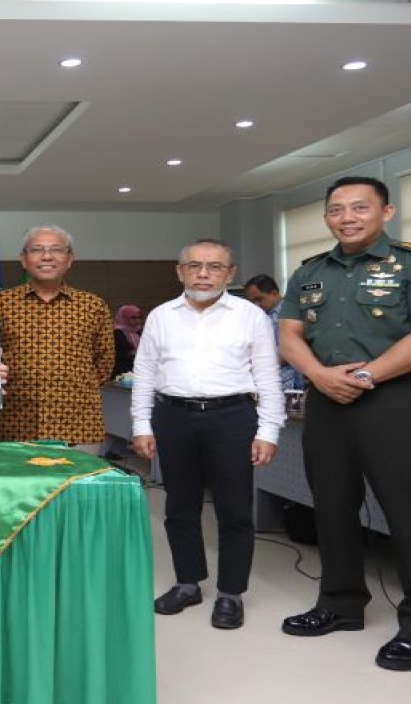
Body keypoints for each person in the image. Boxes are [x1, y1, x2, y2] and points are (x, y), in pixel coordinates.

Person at [278, 175, 411, 671]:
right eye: (337, 210)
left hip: (392, 399)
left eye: (360, 207)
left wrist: (363, 376)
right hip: (325, 398)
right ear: (327, 217)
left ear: (386, 212)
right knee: (331, 507)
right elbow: (289, 334)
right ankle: (340, 603)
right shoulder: (310, 270)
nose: (347, 218)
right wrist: (319, 376)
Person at [131, 238, 283, 630]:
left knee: (235, 510)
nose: (204, 274)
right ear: (179, 271)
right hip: (173, 416)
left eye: (215, 267)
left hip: (232, 418)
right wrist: (141, 425)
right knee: (179, 507)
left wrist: (268, 430)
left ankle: (231, 593)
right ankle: (188, 583)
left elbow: (268, 375)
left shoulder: (250, 316)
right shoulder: (161, 316)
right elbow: (144, 373)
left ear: (230, 274)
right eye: (194, 266)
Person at [0, 226, 114, 453]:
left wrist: (70, 387)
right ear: (23, 259)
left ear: (70, 259)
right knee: (14, 478)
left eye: (56, 249)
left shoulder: (93, 306)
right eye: (37, 249)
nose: (47, 256)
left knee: (78, 478)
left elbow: (104, 363)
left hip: (78, 424)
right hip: (14, 422)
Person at [243, 274, 304, 391]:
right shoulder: (266, 315)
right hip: (276, 378)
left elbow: (289, 351)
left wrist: (259, 365)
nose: (256, 305)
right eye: (252, 301)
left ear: (274, 293)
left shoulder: (287, 314)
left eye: (259, 299)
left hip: (287, 381)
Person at [111, 304, 143, 377]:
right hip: (121, 370)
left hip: (138, 369)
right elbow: (115, 353)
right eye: (133, 318)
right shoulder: (117, 333)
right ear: (124, 318)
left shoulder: (139, 331)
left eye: (139, 318)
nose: (137, 320)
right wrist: (130, 353)